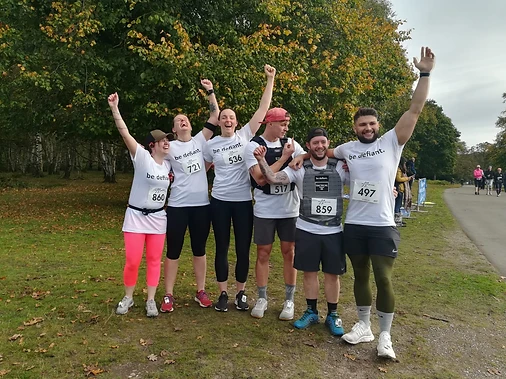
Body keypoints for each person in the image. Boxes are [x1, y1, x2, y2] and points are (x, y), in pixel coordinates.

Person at [292, 46, 435, 359]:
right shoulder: (346, 149)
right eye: (362, 125)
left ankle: (385, 336)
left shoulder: (391, 142)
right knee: (359, 277)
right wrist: (302, 154)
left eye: (371, 124)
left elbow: (415, 109)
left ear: (377, 125)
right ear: (355, 128)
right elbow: (319, 152)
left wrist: (424, 73)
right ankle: (363, 325)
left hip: (382, 224)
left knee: (383, 278)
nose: (367, 128)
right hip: (354, 224)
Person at [253, 127, 348, 336]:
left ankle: (333, 314)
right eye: (315, 143)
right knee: (309, 273)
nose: (320, 146)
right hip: (306, 228)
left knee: (332, 274)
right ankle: (311, 311)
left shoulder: (341, 167)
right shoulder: (299, 167)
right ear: (308, 146)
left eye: (323, 142)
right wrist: (261, 161)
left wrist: (390, 188)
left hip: (333, 230)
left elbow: (365, 177)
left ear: (328, 143)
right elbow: (273, 178)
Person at [203, 64, 277, 312]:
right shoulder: (210, 144)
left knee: (243, 248)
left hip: (244, 202)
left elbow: (263, 109)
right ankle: (223, 293)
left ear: (236, 122)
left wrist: (270, 79)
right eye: (224, 116)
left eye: (231, 117)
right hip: (220, 202)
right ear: (220, 121)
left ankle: (241, 293)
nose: (227, 119)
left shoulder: (245, 136)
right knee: (222, 247)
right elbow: (200, 171)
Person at [108, 92, 172, 318]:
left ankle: (151, 300)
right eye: (163, 140)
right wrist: (115, 109)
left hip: (157, 219)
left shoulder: (168, 166)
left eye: (168, 140)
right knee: (133, 260)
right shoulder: (142, 157)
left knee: (155, 260)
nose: (167, 142)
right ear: (152, 145)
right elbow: (124, 133)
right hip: (135, 217)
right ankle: (128, 297)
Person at [160, 79, 219, 313]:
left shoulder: (199, 140)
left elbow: (215, 116)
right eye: (177, 121)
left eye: (184, 119)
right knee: (173, 250)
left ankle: (201, 291)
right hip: (177, 206)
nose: (182, 121)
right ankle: (168, 294)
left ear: (190, 125)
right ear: (174, 130)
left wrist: (210, 91)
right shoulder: (168, 147)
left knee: (199, 249)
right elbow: (153, 165)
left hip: (201, 206)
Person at [244, 107, 306, 320]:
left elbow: (305, 156)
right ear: (269, 123)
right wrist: (285, 158)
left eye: (287, 124)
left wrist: (299, 156)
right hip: (265, 209)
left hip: (289, 209)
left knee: (289, 252)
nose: (286, 128)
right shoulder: (254, 146)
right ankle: (262, 297)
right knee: (263, 252)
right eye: (282, 124)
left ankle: (289, 300)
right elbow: (261, 179)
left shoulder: (290, 143)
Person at [394, 157, 413, 227]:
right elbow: (398, 179)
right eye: (404, 163)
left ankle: (398, 220)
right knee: (397, 206)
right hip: (399, 189)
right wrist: (407, 178)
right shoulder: (399, 169)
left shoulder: (401, 170)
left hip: (401, 189)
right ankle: (396, 220)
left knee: (398, 205)